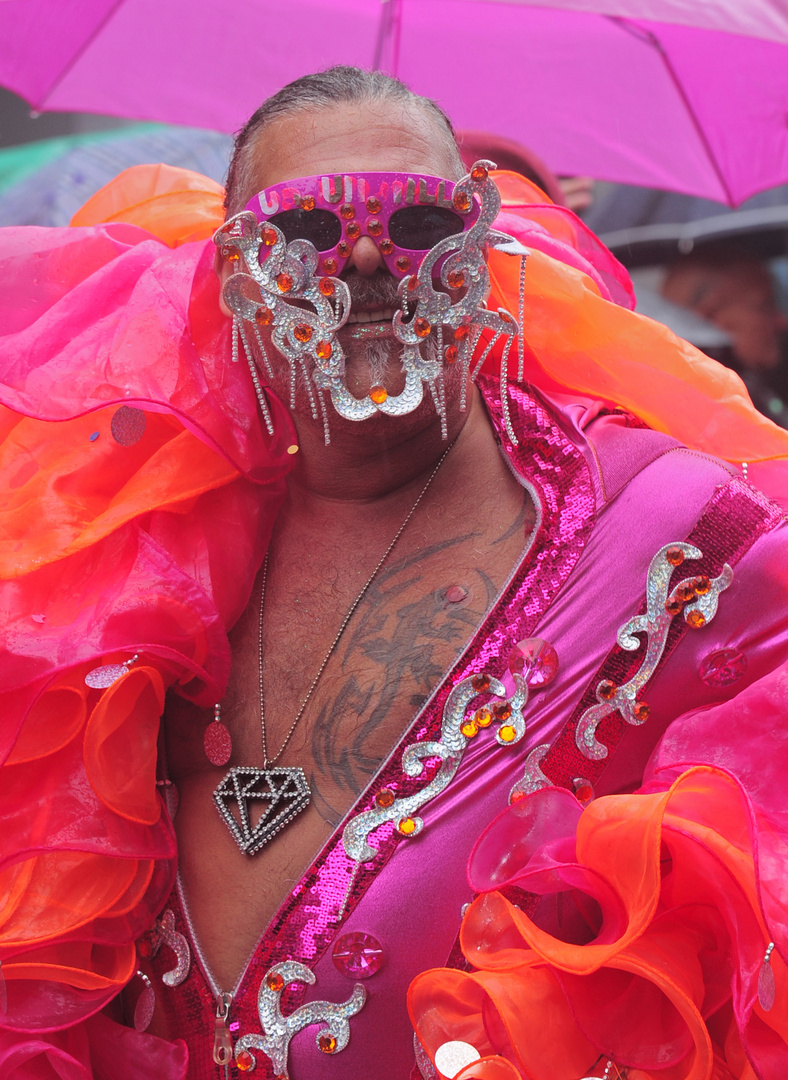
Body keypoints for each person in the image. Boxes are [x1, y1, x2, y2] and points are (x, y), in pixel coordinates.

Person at [1, 66, 788, 1080]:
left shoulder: (676, 539)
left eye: (416, 219)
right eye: (307, 233)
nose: (367, 258)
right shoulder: (149, 547)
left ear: (484, 246)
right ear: (233, 278)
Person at [662, 248, 788, 427]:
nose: (781, 320)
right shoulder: (718, 423)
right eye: (765, 305)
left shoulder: (756, 393)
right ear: (710, 316)